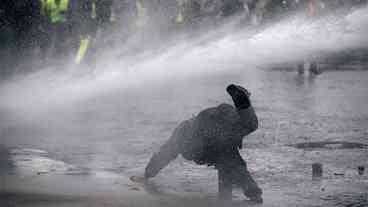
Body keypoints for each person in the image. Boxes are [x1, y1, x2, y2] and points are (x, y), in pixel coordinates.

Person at [144, 84, 263, 203]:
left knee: (230, 154)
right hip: (219, 119)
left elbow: (166, 152)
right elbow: (232, 168)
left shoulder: (186, 134)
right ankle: (243, 105)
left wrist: (148, 173)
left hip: (210, 123)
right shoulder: (221, 144)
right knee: (246, 129)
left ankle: (243, 105)